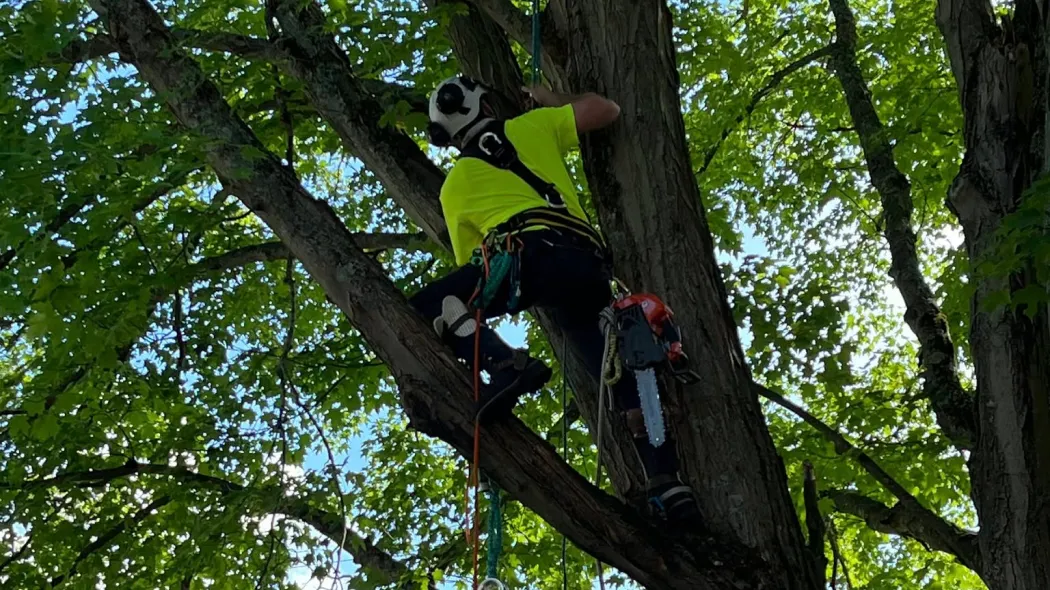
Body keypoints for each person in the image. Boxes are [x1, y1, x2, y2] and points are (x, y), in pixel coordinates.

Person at [410, 75, 698, 520]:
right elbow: (607, 109)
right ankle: (668, 481)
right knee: (626, 375)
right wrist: (550, 99)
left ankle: (504, 364)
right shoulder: (531, 126)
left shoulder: (453, 188)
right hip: (586, 267)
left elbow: (478, 266)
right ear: (485, 106)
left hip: (528, 260)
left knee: (436, 304)